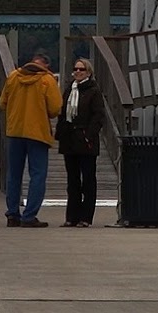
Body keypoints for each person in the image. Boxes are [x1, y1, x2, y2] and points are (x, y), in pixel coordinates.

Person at [0, 49, 62, 227]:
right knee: (38, 175)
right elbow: (55, 109)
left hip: (15, 131)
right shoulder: (47, 80)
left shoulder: (13, 77)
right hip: (37, 133)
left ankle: (12, 214)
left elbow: (2, 102)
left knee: (14, 175)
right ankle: (29, 215)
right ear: (46, 65)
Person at [56, 58, 105, 227]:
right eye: (75, 69)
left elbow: (99, 116)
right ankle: (71, 217)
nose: (77, 72)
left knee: (88, 180)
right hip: (69, 140)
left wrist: (88, 135)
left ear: (88, 72)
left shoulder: (94, 91)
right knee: (72, 180)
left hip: (85, 140)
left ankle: (86, 217)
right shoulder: (70, 89)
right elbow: (62, 113)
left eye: (81, 69)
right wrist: (61, 133)